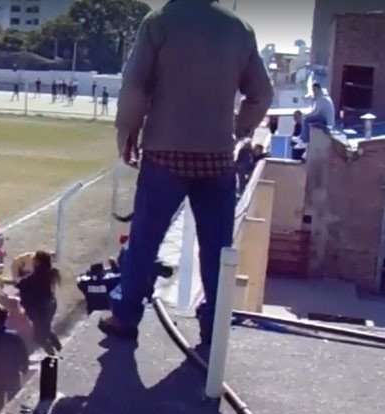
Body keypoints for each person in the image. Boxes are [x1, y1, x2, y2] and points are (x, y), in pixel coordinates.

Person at [103, 0, 273, 344]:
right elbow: (262, 93)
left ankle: (125, 316)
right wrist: (238, 129)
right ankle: (212, 326)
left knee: (145, 240)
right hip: (216, 156)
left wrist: (128, 134)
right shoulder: (238, 29)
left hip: (164, 152)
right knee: (217, 248)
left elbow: (135, 86)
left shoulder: (160, 21)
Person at [3, 251, 62, 356]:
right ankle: (59, 349)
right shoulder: (48, 273)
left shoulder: (35, 278)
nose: (33, 261)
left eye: (35, 259)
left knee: (39, 337)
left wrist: (3, 281)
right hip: (49, 306)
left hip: (39, 310)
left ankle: (54, 355)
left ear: (38, 262)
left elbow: (20, 284)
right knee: (46, 329)